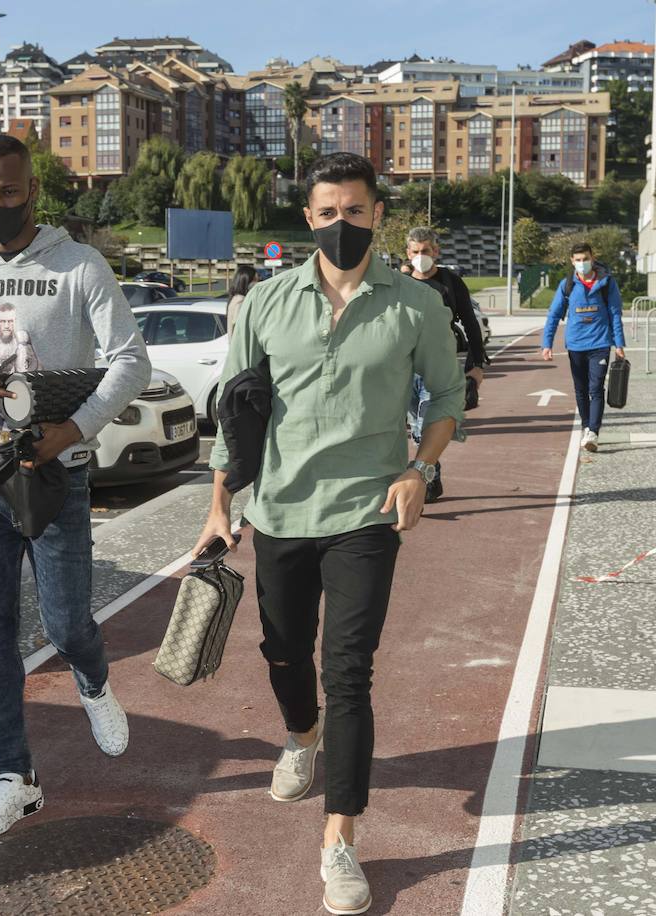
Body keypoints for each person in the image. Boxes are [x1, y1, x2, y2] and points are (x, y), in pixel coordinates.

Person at [192, 152, 464, 916]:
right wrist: (219, 504)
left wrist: (421, 467)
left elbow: (445, 396)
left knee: (348, 670)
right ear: (306, 218)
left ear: (378, 213)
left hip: (366, 516)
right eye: (326, 212)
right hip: (278, 510)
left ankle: (339, 839)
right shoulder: (266, 303)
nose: (340, 224)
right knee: (283, 652)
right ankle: (299, 735)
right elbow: (234, 413)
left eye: (354, 210)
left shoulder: (416, 306)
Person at [0, 134, 151, 839]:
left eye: (8, 193)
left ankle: (94, 680)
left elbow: (130, 362)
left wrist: (72, 430)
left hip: (57, 473)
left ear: (32, 190)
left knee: (67, 621)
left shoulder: (78, 264)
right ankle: (16, 776)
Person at [404, 226, 488, 502]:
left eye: (425, 251)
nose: (420, 256)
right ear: (407, 253)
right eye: (415, 252)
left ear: (436, 252)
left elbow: (470, 323)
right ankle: (433, 477)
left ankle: (424, 480)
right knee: (415, 429)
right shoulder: (399, 284)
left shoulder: (449, 283)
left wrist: (477, 365)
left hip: (438, 366)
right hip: (404, 368)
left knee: (422, 429)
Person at [540, 242, 626, 453]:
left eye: (585, 259)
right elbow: (553, 314)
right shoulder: (567, 285)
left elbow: (615, 313)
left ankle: (593, 432)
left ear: (592, 257)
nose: (582, 263)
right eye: (577, 260)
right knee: (581, 389)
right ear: (572, 261)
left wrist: (619, 343)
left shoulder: (607, 283)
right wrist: (546, 343)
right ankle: (586, 425)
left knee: (595, 388)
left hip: (600, 344)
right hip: (576, 345)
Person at [226, 264, 259, 329]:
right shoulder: (241, 301)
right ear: (246, 281)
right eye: (255, 280)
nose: (258, 284)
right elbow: (238, 326)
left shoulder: (235, 298)